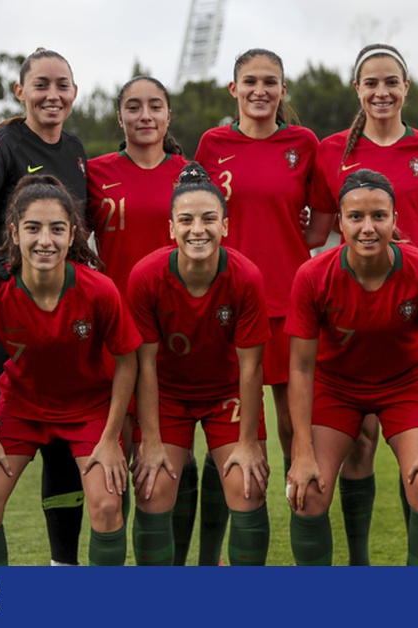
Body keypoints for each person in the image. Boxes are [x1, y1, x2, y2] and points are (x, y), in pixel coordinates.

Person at [305, 43, 418, 565]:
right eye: (371, 82)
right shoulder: (330, 151)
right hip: (348, 307)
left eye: (391, 81)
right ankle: (358, 564)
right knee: (358, 448)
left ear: (406, 86)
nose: (382, 91)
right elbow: (317, 231)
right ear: (357, 89)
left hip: (409, 306)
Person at [0, 48, 89, 566]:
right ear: (20, 92)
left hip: (60, 317)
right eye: (42, 85)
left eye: (63, 85)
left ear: (74, 92)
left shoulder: (74, 148)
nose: (53, 95)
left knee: (61, 445)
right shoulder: (0, 141)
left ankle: (62, 569)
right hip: (0, 320)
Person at [0, 175, 141, 566]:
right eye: (33, 228)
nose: (45, 240)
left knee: (108, 507)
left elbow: (128, 360)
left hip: (88, 409)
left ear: (73, 233)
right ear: (14, 232)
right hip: (22, 406)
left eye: (57, 229)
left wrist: (111, 438)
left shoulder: (99, 290)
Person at [286, 168, 418, 566]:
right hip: (336, 386)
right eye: (355, 217)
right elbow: (301, 368)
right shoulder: (312, 276)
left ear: (395, 219)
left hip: (404, 385)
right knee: (308, 493)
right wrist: (302, 449)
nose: (367, 227)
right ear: (339, 222)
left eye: (379, 216)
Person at [194, 49, 318, 558]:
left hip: (291, 304)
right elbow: (196, 219)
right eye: (250, 81)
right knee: (228, 435)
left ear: (283, 90)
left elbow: (324, 222)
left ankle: (303, 550)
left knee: (294, 433)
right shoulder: (212, 144)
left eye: (271, 82)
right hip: (229, 306)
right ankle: (209, 559)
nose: (260, 90)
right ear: (234, 89)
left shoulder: (303, 143)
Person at [85, 76, 213, 565]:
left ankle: (197, 563)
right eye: (133, 107)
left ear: (168, 117)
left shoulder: (191, 175)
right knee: (124, 460)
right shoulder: (95, 173)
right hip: (116, 339)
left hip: (181, 334)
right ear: (119, 117)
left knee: (176, 457)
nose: (144, 116)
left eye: (154, 106)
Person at [126, 162, 271, 566]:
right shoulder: (146, 276)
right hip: (168, 396)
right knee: (152, 486)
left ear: (225, 225)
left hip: (227, 394)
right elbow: (146, 366)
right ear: (171, 227)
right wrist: (150, 442)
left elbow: (251, 369)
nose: (198, 229)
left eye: (209, 219)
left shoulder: (246, 277)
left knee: (247, 485)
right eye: (186, 220)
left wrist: (247, 444)